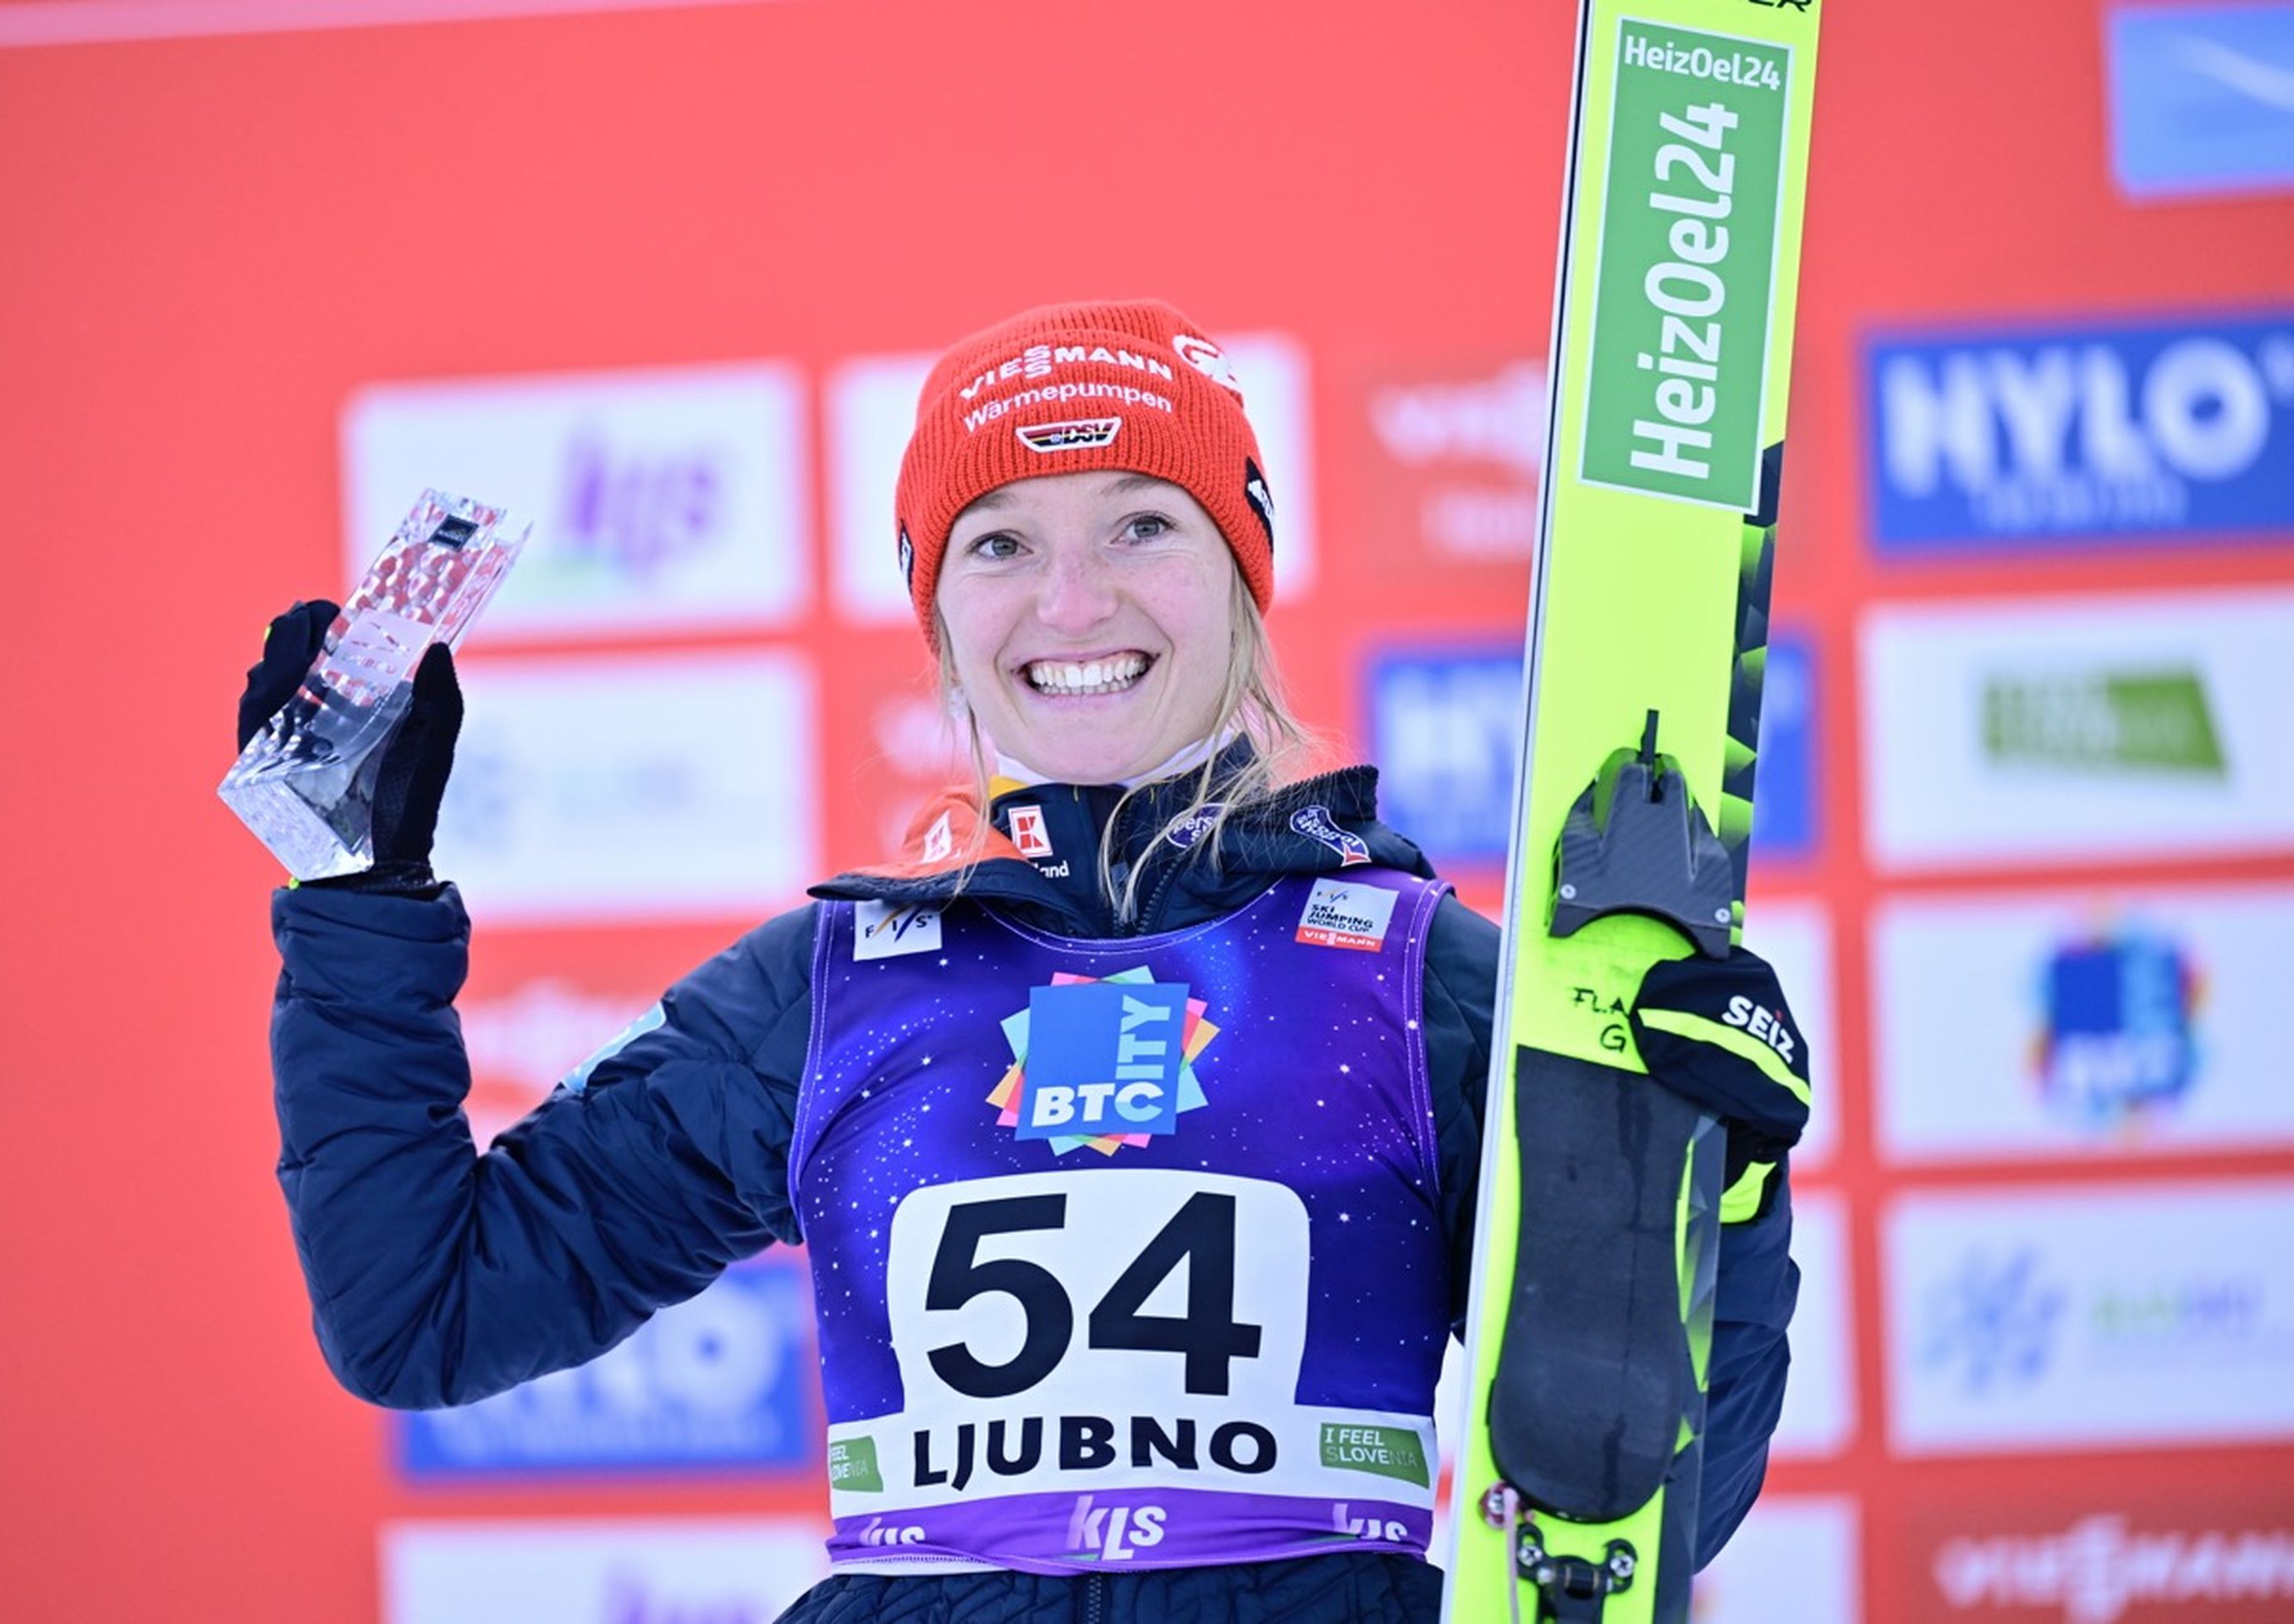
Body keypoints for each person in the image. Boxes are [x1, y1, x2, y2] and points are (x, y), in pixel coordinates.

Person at [251, 299, 1807, 1623]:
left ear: (1242, 569)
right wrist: (358, 897)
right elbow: (426, 1311)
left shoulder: (1420, 986)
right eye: (1000, 543)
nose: (1073, 602)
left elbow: (1641, 1500)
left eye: (1142, 523)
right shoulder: (829, 992)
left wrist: (1716, 1190)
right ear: (938, 617)